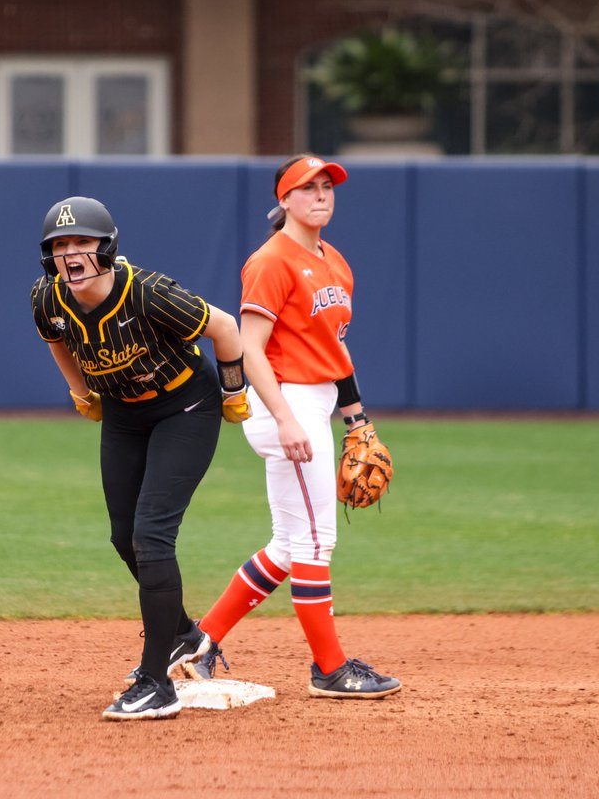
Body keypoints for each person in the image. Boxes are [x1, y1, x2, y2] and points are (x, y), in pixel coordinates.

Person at [185, 155, 401, 699]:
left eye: (328, 186)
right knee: (315, 540)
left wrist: (357, 417)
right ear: (285, 200)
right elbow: (248, 347)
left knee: (288, 543)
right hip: (285, 404)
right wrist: (283, 417)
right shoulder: (272, 260)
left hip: (316, 402)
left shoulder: (336, 261)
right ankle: (330, 669)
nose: (321, 195)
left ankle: (198, 645)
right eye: (308, 188)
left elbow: (336, 348)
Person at [29, 196, 251, 720]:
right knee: (123, 536)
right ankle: (185, 636)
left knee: (152, 536)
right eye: (60, 246)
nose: (72, 254)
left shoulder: (148, 293)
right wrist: (80, 392)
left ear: (106, 248)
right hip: (125, 413)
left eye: (83, 242)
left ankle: (156, 683)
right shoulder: (48, 298)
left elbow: (224, 329)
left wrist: (235, 390)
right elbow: (56, 340)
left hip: (186, 406)